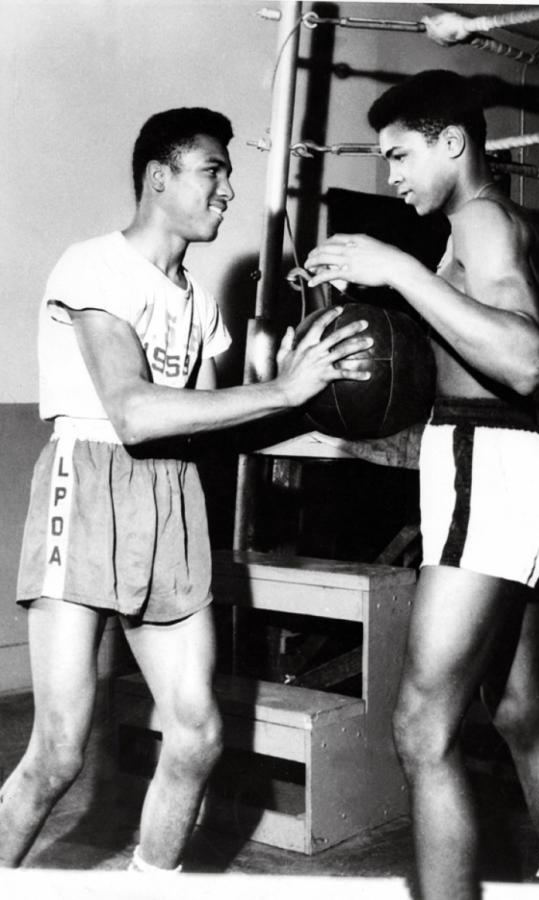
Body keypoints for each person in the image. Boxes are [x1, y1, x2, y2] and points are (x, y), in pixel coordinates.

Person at [0, 107, 373, 873]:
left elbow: (203, 429)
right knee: (59, 754)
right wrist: (277, 392)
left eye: (228, 173)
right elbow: (134, 414)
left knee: (198, 734)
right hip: (91, 482)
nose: (229, 189)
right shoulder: (92, 266)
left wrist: (308, 394)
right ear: (157, 177)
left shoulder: (199, 305)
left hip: (170, 500)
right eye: (214, 170)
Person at [305, 70, 539, 899]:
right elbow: (457, 342)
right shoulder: (472, 230)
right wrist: (370, 288)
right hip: (501, 470)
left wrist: (395, 267)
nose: (390, 175)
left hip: (489, 470)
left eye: (399, 155)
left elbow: (524, 358)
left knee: (421, 729)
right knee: (519, 711)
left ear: (451, 142)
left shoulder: (478, 219)